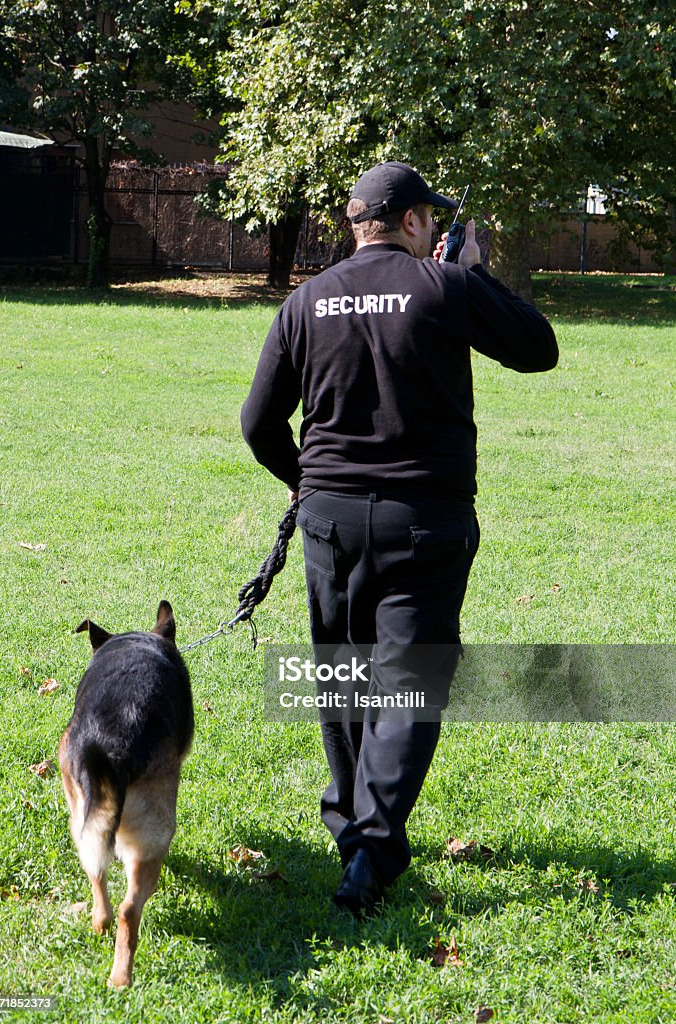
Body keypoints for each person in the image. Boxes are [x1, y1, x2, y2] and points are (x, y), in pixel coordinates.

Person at [241, 161, 558, 916]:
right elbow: (536, 348)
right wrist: (476, 275)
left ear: (357, 225)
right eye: (432, 222)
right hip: (425, 521)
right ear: (414, 221)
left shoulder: (304, 301)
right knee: (408, 682)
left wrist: (303, 482)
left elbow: (258, 425)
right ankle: (371, 856)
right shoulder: (444, 286)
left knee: (344, 676)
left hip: (329, 518)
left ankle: (351, 828)